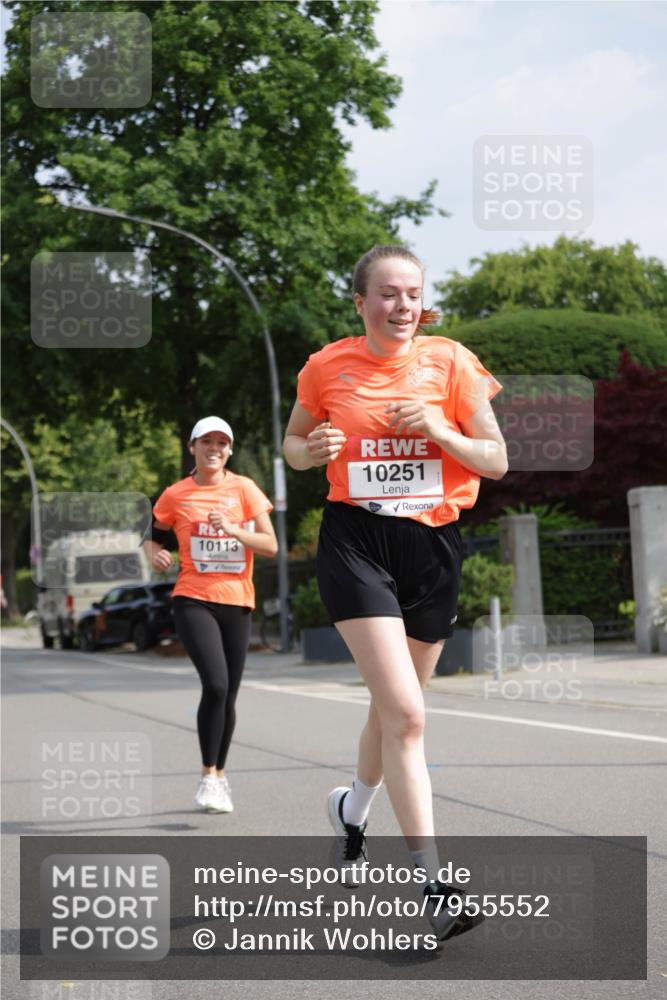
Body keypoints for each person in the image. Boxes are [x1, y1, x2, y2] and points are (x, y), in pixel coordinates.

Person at [283, 245, 507, 940]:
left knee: (393, 710)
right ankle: (435, 884)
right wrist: (306, 453)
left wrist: (439, 428)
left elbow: (495, 460)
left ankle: (353, 807)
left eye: (411, 293)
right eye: (386, 293)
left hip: (433, 548)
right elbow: (292, 443)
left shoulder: (451, 362)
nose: (401, 305)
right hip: (357, 541)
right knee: (407, 717)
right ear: (359, 302)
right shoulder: (327, 366)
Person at [144, 416, 278, 814]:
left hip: (237, 600)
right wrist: (154, 553)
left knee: (229, 694)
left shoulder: (245, 490)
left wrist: (235, 530)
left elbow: (270, 544)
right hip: (193, 598)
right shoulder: (176, 495)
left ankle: (219, 776)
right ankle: (207, 775)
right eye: (207, 442)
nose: (214, 449)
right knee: (216, 685)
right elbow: (151, 533)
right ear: (193, 447)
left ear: (230, 451)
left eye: (222, 443)